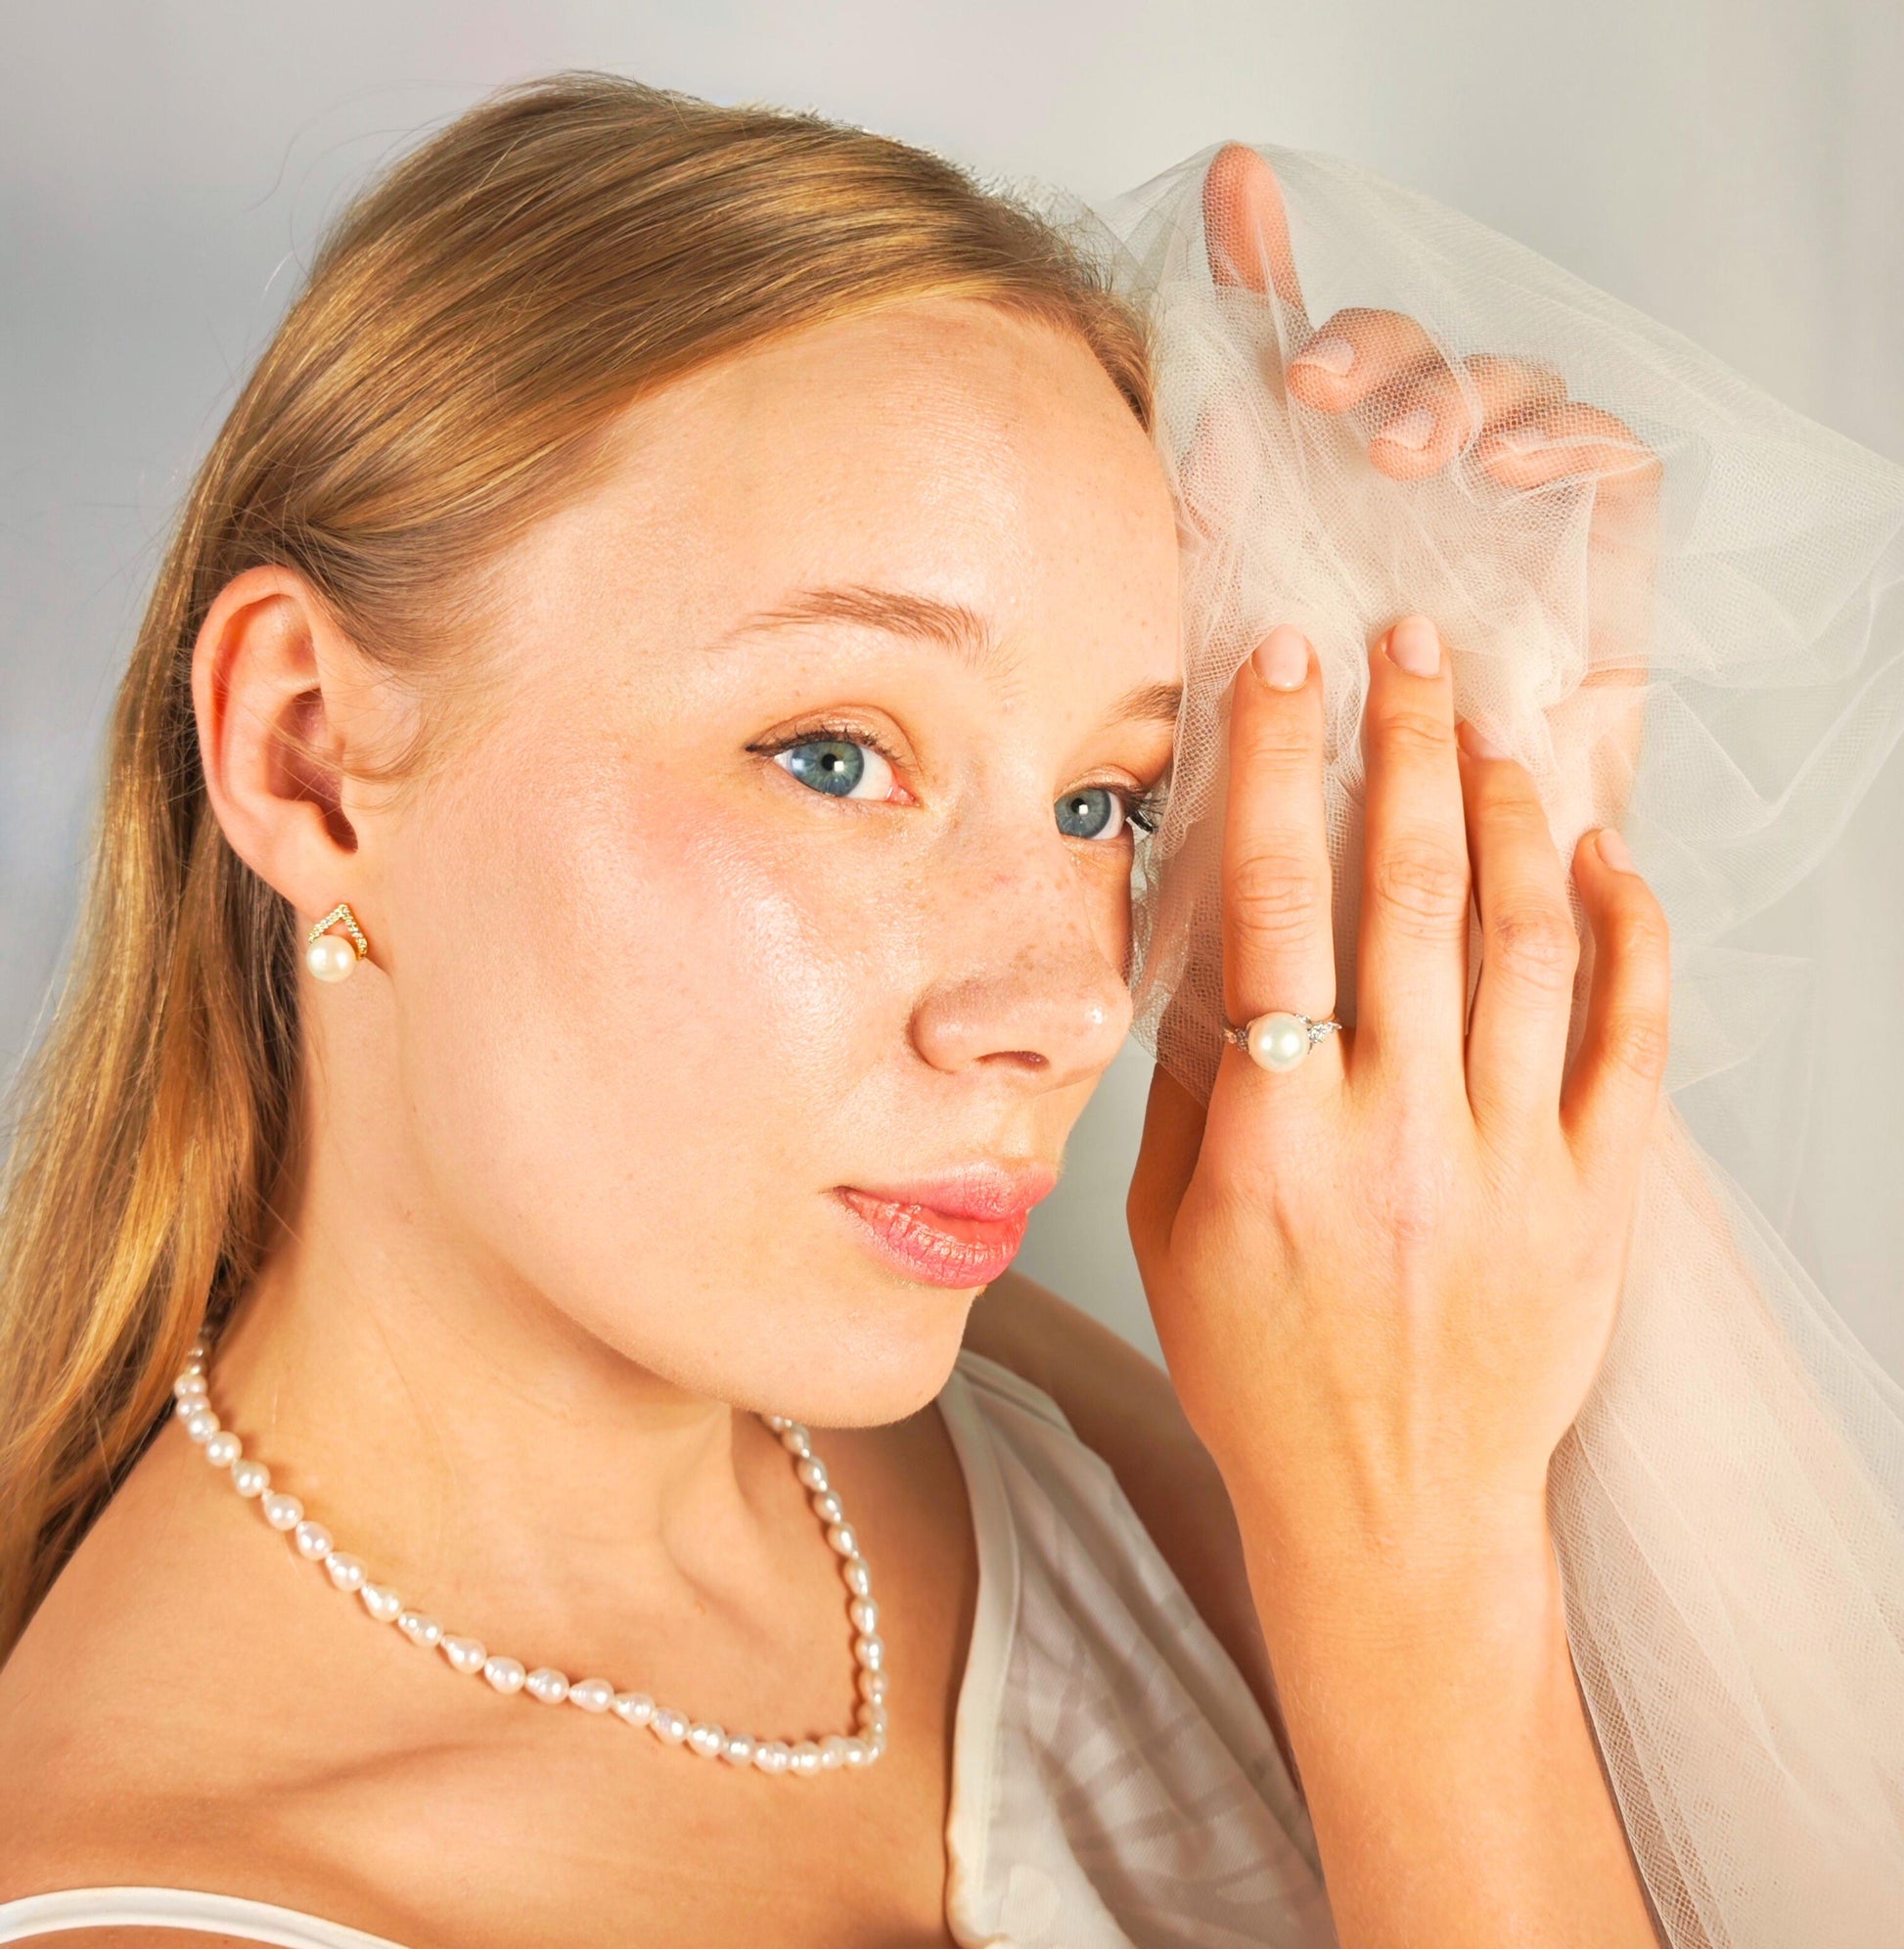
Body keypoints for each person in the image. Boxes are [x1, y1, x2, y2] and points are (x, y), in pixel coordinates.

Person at [0, 74, 1679, 1947]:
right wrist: (1408, 1542)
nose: (1062, 1002)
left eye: (1102, 800)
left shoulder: (1023, 1421)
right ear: (308, 755)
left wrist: (1436, 847)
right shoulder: (188, 1898)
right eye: (831, 753)